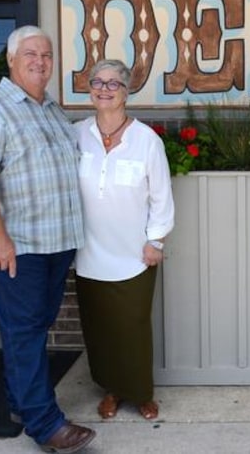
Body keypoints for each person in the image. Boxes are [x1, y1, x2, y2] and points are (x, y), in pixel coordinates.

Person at [0, 25, 96, 453]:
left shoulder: (52, 110)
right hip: (19, 246)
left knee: (33, 328)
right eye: (31, 54)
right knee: (25, 332)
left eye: (47, 55)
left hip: (57, 243)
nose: (40, 61)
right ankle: (46, 423)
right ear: (11, 60)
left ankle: (21, 400)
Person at [74, 59, 174, 421]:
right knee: (100, 328)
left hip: (134, 254)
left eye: (112, 83)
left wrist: (156, 242)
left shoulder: (145, 140)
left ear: (126, 91)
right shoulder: (76, 134)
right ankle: (112, 390)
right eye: (97, 82)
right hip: (88, 252)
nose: (103, 88)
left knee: (132, 327)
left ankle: (141, 393)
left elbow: (161, 197)